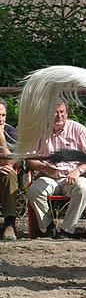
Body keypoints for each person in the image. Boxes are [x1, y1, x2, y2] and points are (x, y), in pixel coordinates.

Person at [26, 98, 86, 239]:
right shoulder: (40, 131)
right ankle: (48, 228)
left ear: (67, 113)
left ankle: (67, 230)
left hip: (73, 176)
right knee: (34, 191)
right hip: (48, 176)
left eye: (62, 112)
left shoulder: (78, 129)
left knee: (83, 188)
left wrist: (78, 171)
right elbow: (29, 160)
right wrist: (45, 168)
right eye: (54, 113)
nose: (59, 116)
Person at [0, 98, 19, 241]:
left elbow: (9, 162)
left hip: (3, 174)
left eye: (3, 115)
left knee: (10, 174)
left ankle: (9, 224)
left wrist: (1, 135)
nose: (1, 119)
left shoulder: (10, 132)